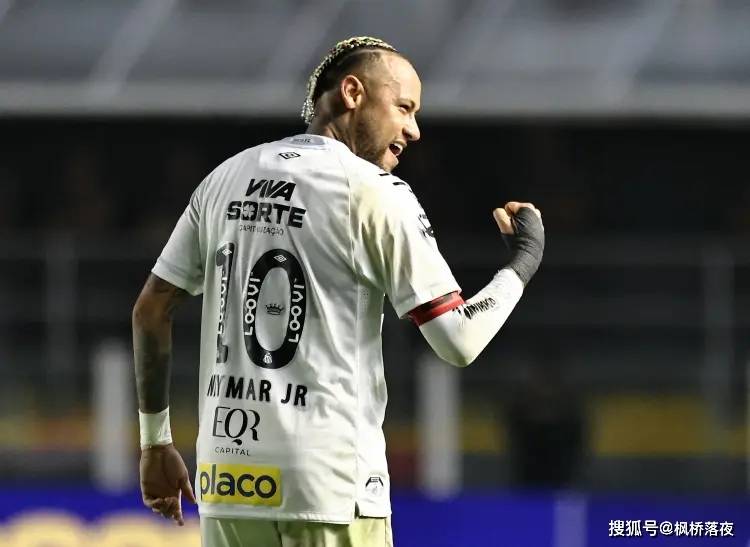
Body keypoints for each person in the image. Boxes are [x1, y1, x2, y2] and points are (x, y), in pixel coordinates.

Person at [132, 36, 544, 547]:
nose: (414, 130)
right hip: (329, 486)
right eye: (404, 107)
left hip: (228, 483)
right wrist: (523, 262)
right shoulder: (375, 193)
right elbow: (458, 339)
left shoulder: (224, 179)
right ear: (352, 93)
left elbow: (150, 309)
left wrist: (155, 444)